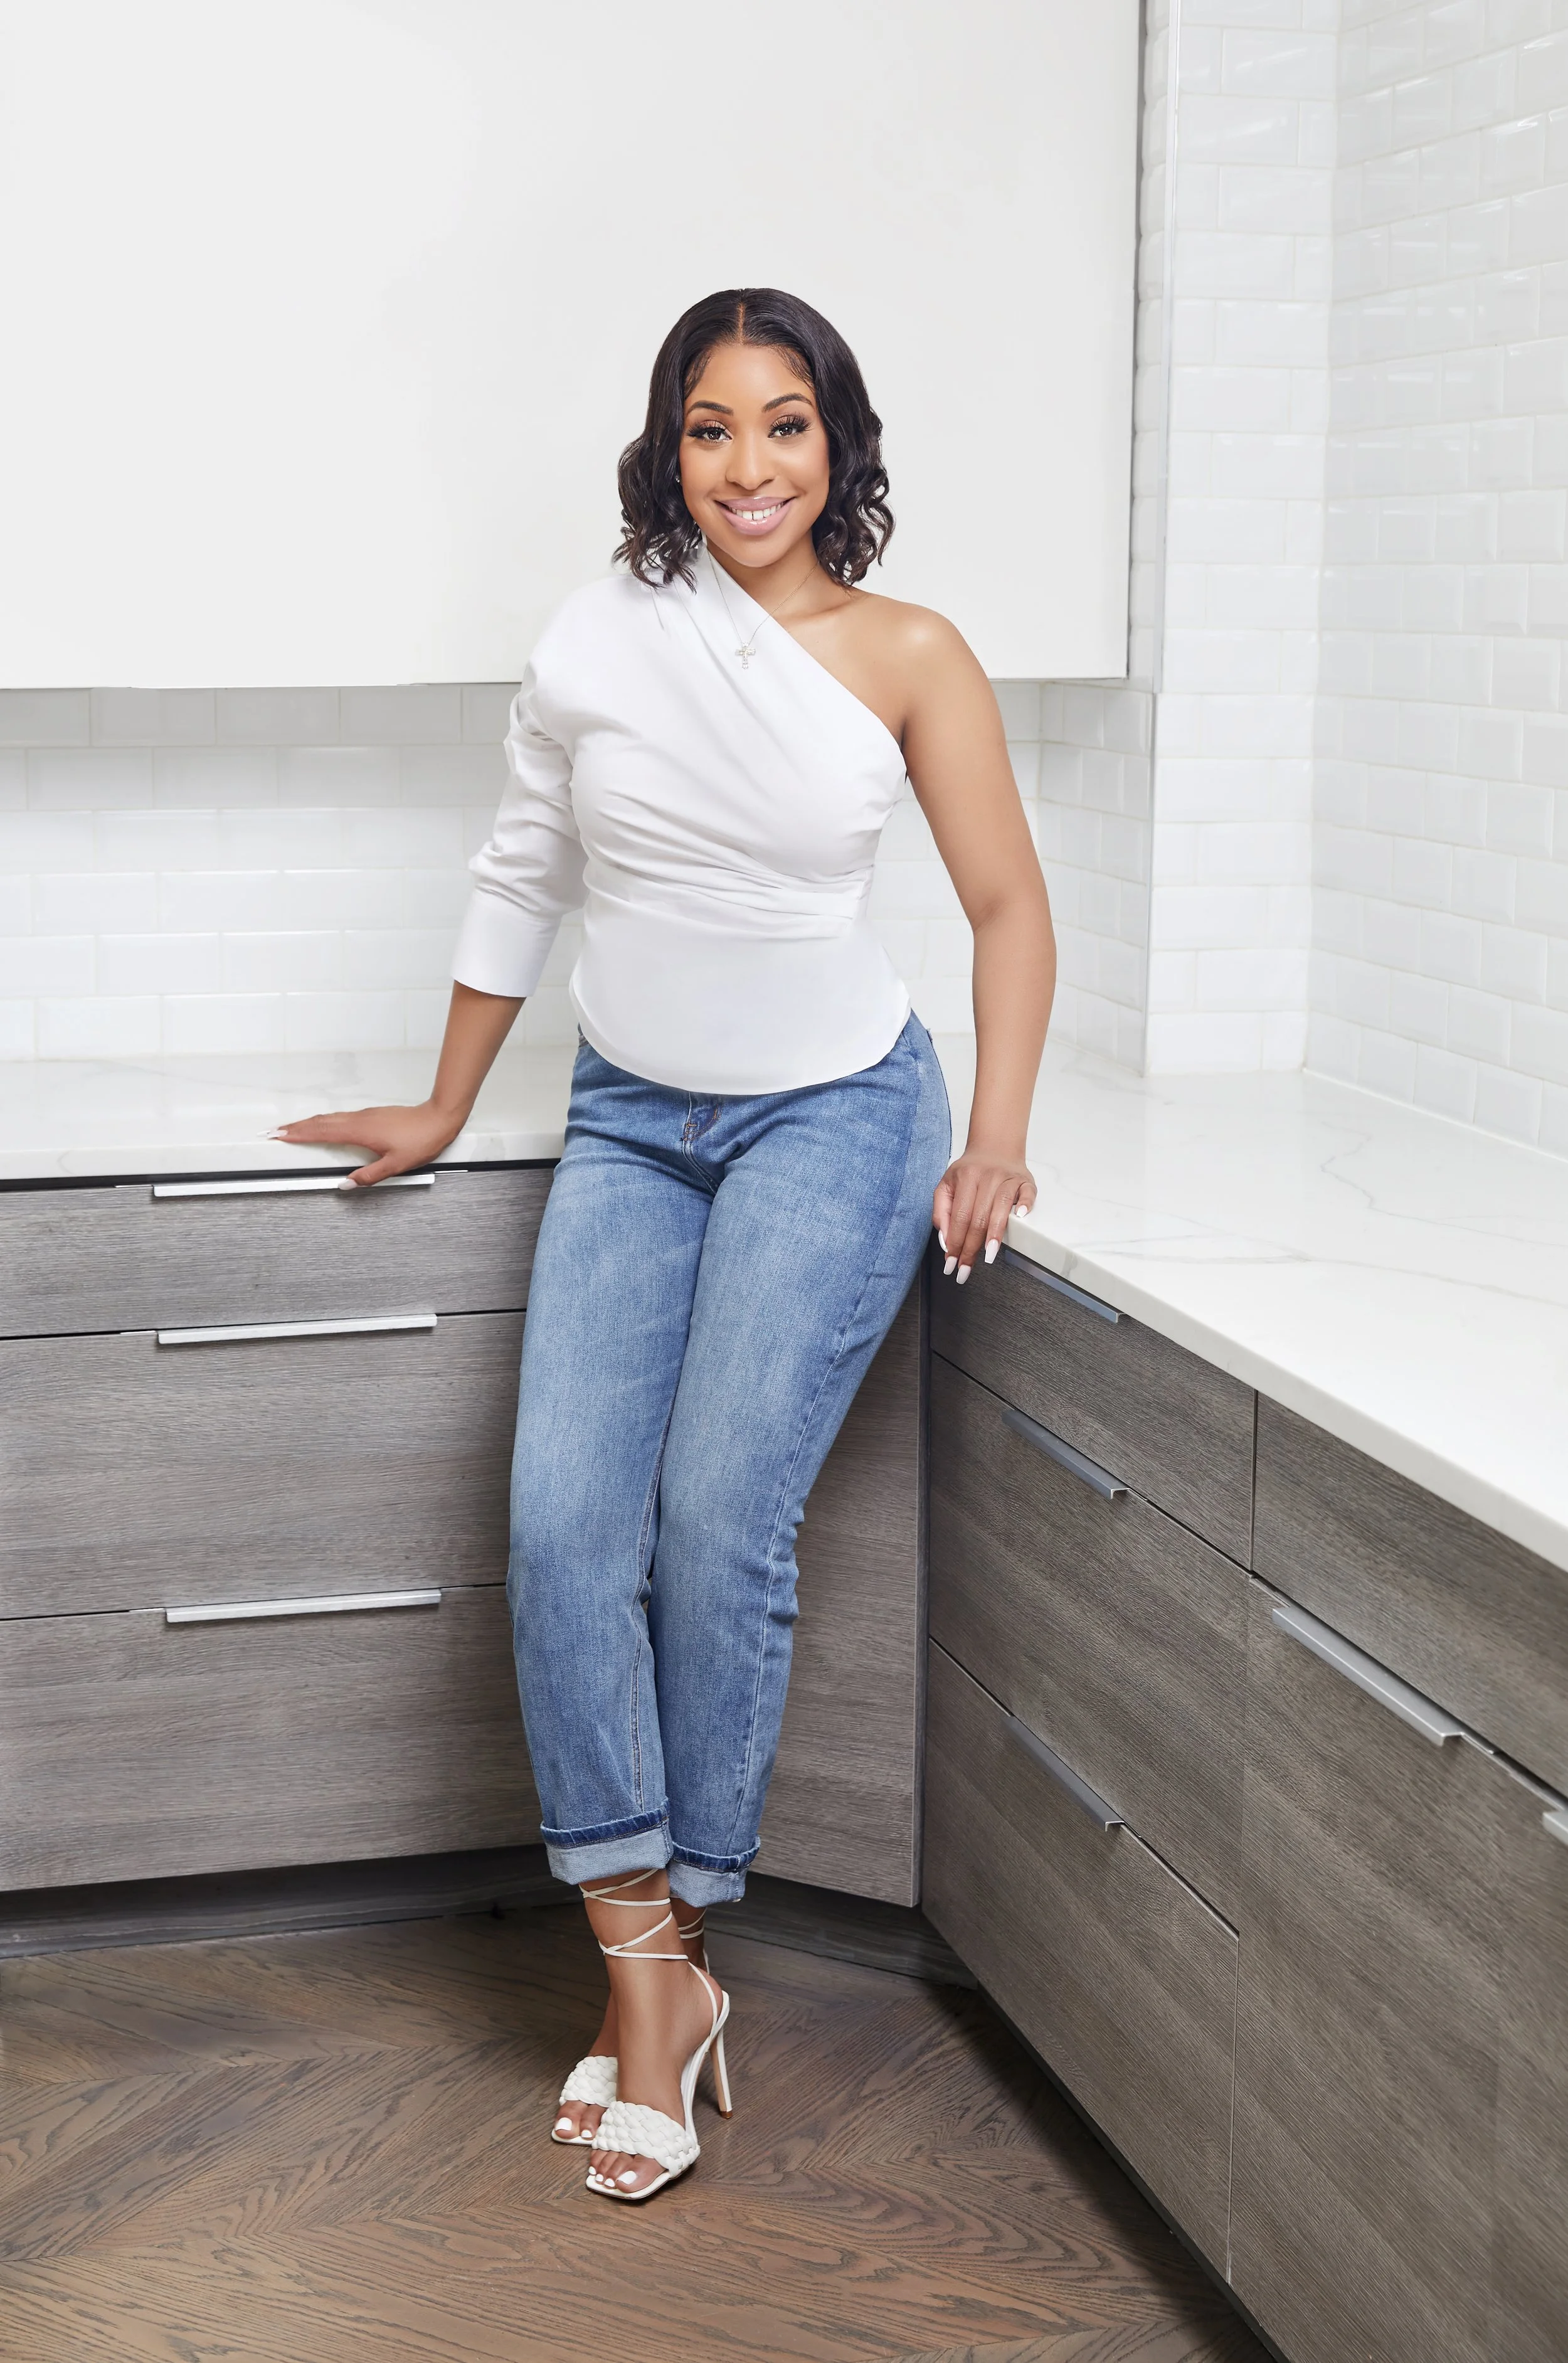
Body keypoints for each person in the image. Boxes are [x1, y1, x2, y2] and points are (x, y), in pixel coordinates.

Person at [275, 287, 1056, 2204]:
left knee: (717, 1523)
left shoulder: (907, 652)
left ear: (835, 443)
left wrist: (994, 1134)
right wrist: (446, 1099)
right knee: (562, 1528)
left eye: (783, 423)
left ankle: (665, 1966)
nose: (747, 465)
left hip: (834, 1114)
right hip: (634, 1116)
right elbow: (523, 868)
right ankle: (653, 1972)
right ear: (666, 447)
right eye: (710, 427)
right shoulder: (600, 635)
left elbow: (1004, 905)